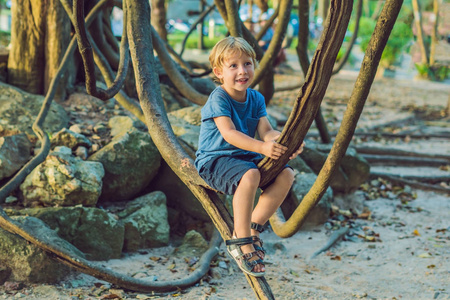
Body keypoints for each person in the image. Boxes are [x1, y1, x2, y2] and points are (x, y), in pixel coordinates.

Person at [194, 37, 304, 277]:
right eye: (233, 66)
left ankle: (254, 228)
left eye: (247, 64)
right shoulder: (219, 98)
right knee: (250, 173)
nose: (242, 71)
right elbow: (229, 133)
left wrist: (287, 143)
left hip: (243, 159)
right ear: (219, 72)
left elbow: (267, 132)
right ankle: (241, 240)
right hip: (214, 161)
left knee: (286, 173)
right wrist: (262, 149)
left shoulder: (255, 98)